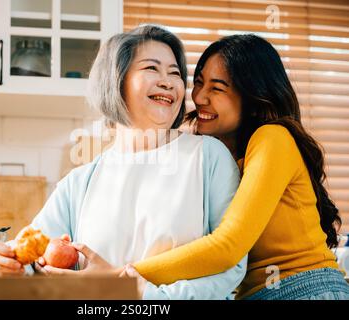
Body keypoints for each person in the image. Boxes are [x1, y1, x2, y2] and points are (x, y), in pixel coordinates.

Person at [0, 25, 247, 299]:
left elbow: (231, 267)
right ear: (115, 80)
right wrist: (0, 263)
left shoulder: (208, 157)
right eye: (152, 68)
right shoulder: (80, 181)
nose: (168, 81)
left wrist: (134, 293)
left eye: (175, 73)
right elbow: (34, 263)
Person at [132, 34, 349, 300]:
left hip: (304, 290)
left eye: (217, 88)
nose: (200, 97)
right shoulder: (216, 159)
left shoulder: (273, 137)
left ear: (254, 96)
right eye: (199, 83)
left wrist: (122, 277)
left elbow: (227, 246)